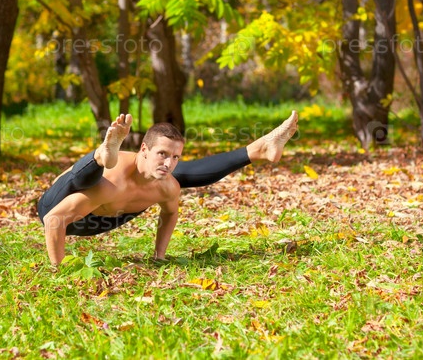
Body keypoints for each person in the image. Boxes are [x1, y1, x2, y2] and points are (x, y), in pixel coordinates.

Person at [37, 111, 299, 265]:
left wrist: (159, 255)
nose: (169, 162)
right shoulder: (110, 183)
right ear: (143, 148)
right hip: (56, 206)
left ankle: (260, 148)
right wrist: (58, 269)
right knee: (89, 179)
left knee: (169, 175)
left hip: (103, 217)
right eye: (162, 153)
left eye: (175, 156)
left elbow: (170, 213)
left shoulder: (168, 186)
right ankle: (101, 155)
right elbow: (54, 219)